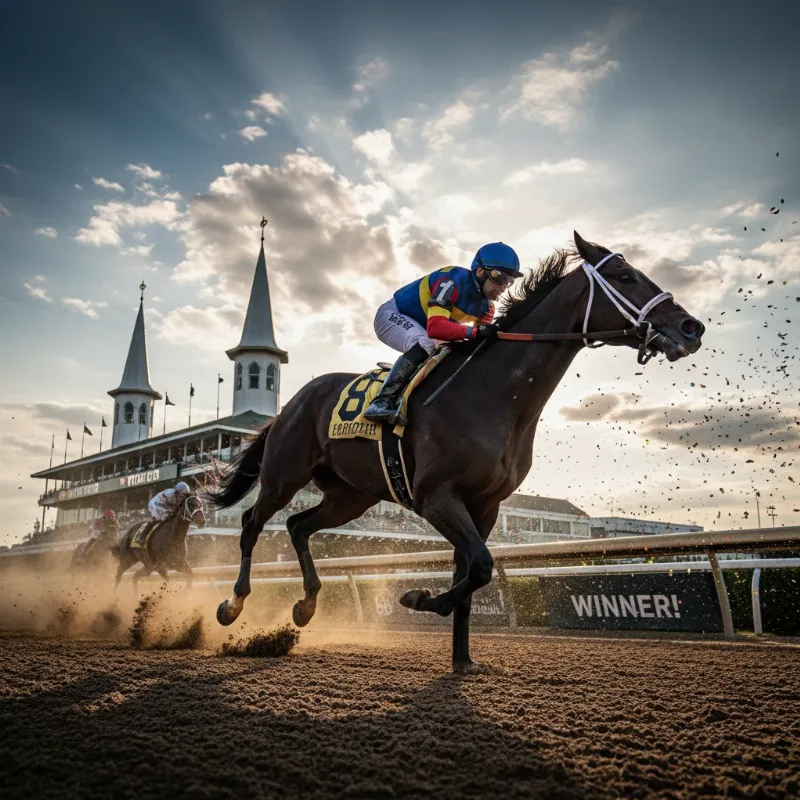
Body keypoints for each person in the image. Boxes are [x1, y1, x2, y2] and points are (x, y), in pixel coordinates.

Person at [364, 242, 522, 425]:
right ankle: (381, 401)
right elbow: (436, 328)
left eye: (510, 281)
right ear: (480, 272)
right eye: (501, 277)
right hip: (393, 315)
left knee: (448, 354)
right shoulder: (451, 282)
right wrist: (475, 331)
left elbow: (478, 342)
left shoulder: (487, 309)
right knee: (425, 344)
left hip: (424, 328)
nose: (504, 286)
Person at [132, 482, 193, 546]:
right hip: (156, 504)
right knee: (157, 518)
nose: (184, 495)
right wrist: (170, 512)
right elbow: (165, 506)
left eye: (186, 493)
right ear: (178, 491)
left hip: (166, 506)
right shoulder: (169, 494)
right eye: (183, 493)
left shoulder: (180, 496)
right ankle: (141, 536)